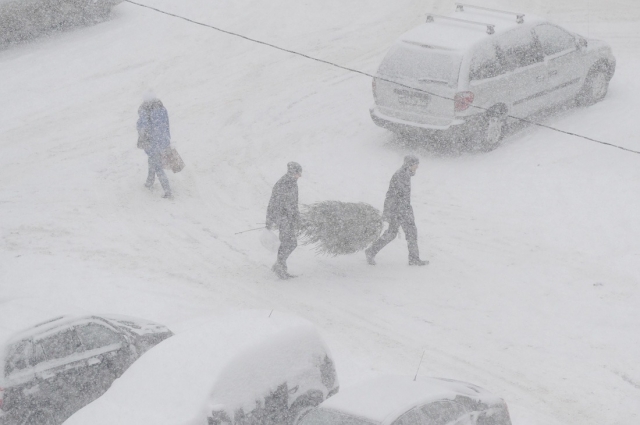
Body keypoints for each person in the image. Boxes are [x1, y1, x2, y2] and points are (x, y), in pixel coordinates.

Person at [365, 155, 428, 266]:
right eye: (415, 164)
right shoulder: (400, 175)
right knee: (398, 233)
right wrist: (391, 212)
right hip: (398, 210)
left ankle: (413, 258)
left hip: (403, 209)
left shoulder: (406, 174)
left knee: (404, 233)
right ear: (409, 164)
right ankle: (371, 251)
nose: (417, 167)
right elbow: (393, 195)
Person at [266, 162, 302, 279]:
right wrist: (270, 220)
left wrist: (296, 217)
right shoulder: (283, 183)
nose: (299, 176)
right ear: (292, 172)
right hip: (282, 217)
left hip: (288, 218)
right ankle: (279, 267)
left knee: (290, 242)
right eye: (298, 173)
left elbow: (293, 204)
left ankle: (279, 265)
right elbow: (274, 202)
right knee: (289, 242)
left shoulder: (293, 183)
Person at [137, 95, 172, 198]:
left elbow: (142, 126)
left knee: (157, 166)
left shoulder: (146, 111)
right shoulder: (162, 109)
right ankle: (149, 182)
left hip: (152, 142)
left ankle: (167, 191)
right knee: (152, 160)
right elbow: (166, 124)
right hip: (163, 140)